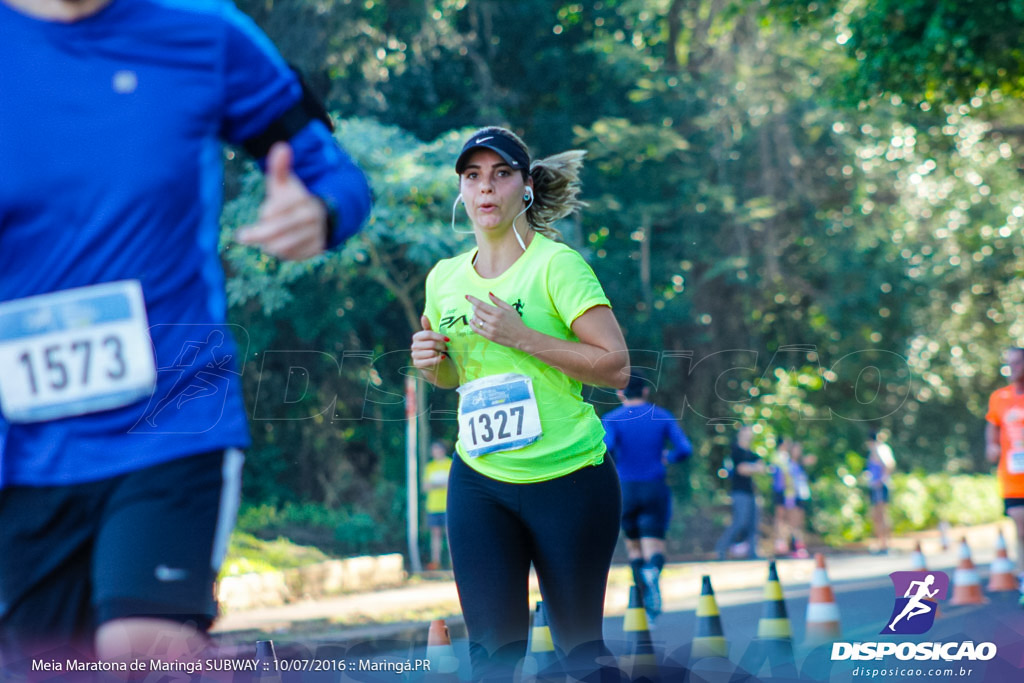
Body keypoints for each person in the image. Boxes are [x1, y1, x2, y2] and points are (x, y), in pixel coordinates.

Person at [0, 0, 371, 675]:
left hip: (172, 417)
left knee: (136, 651)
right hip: (20, 451)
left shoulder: (204, 32)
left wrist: (319, 210)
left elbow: (333, 171)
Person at [410, 126, 629, 680]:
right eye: (473, 176)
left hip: (570, 479)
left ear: (525, 186)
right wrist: (431, 363)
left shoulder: (558, 266)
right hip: (480, 481)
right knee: (490, 660)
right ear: (462, 190)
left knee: (581, 657)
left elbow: (615, 365)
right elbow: (455, 378)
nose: (486, 188)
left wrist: (522, 334)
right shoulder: (444, 279)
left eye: (501, 174)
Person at [601, 371, 692, 622]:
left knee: (633, 547)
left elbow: (605, 449)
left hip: (625, 490)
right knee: (654, 545)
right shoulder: (661, 416)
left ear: (620, 392)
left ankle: (645, 607)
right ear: (645, 391)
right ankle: (653, 575)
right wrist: (668, 458)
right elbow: (685, 449)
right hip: (654, 487)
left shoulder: (612, 419)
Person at [985, 346, 1024, 604]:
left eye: (1018, 363)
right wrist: (991, 445)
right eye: (1009, 364)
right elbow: (992, 428)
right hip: (1012, 479)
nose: (1012, 369)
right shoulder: (999, 398)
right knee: (1021, 529)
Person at [714, 425, 765, 560]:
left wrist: (751, 468)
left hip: (751, 492)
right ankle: (721, 548)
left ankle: (752, 553)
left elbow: (762, 468)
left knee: (753, 523)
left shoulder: (752, 454)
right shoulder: (735, 451)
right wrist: (753, 467)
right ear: (740, 434)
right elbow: (742, 469)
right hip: (739, 492)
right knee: (740, 521)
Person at [866, 431, 897, 554]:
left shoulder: (881, 449)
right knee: (876, 515)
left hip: (880, 486)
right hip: (875, 486)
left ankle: (885, 544)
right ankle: (881, 543)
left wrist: (882, 479)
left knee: (882, 515)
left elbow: (889, 464)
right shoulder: (875, 450)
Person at [424, 440, 453, 571]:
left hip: (447, 505)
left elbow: (451, 484)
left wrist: (435, 485)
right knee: (435, 535)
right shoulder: (430, 466)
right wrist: (441, 485)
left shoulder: (449, 464)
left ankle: (453, 561)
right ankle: (436, 561)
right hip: (433, 506)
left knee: (449, 534)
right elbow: (425, 486)